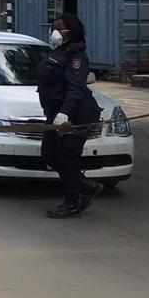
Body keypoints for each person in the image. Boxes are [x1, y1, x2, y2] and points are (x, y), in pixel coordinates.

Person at [37, 13, 103, 219]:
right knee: (49, 155)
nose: (54, 32)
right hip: (56, 113)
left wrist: (65, 112)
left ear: (71, 32)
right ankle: (85, 185)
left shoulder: (76, 56)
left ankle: (72, 202)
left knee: (67, 158)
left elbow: (76, 89)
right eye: (53, 28)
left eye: (59, 29)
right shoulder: (59, 52)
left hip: (76, 114)